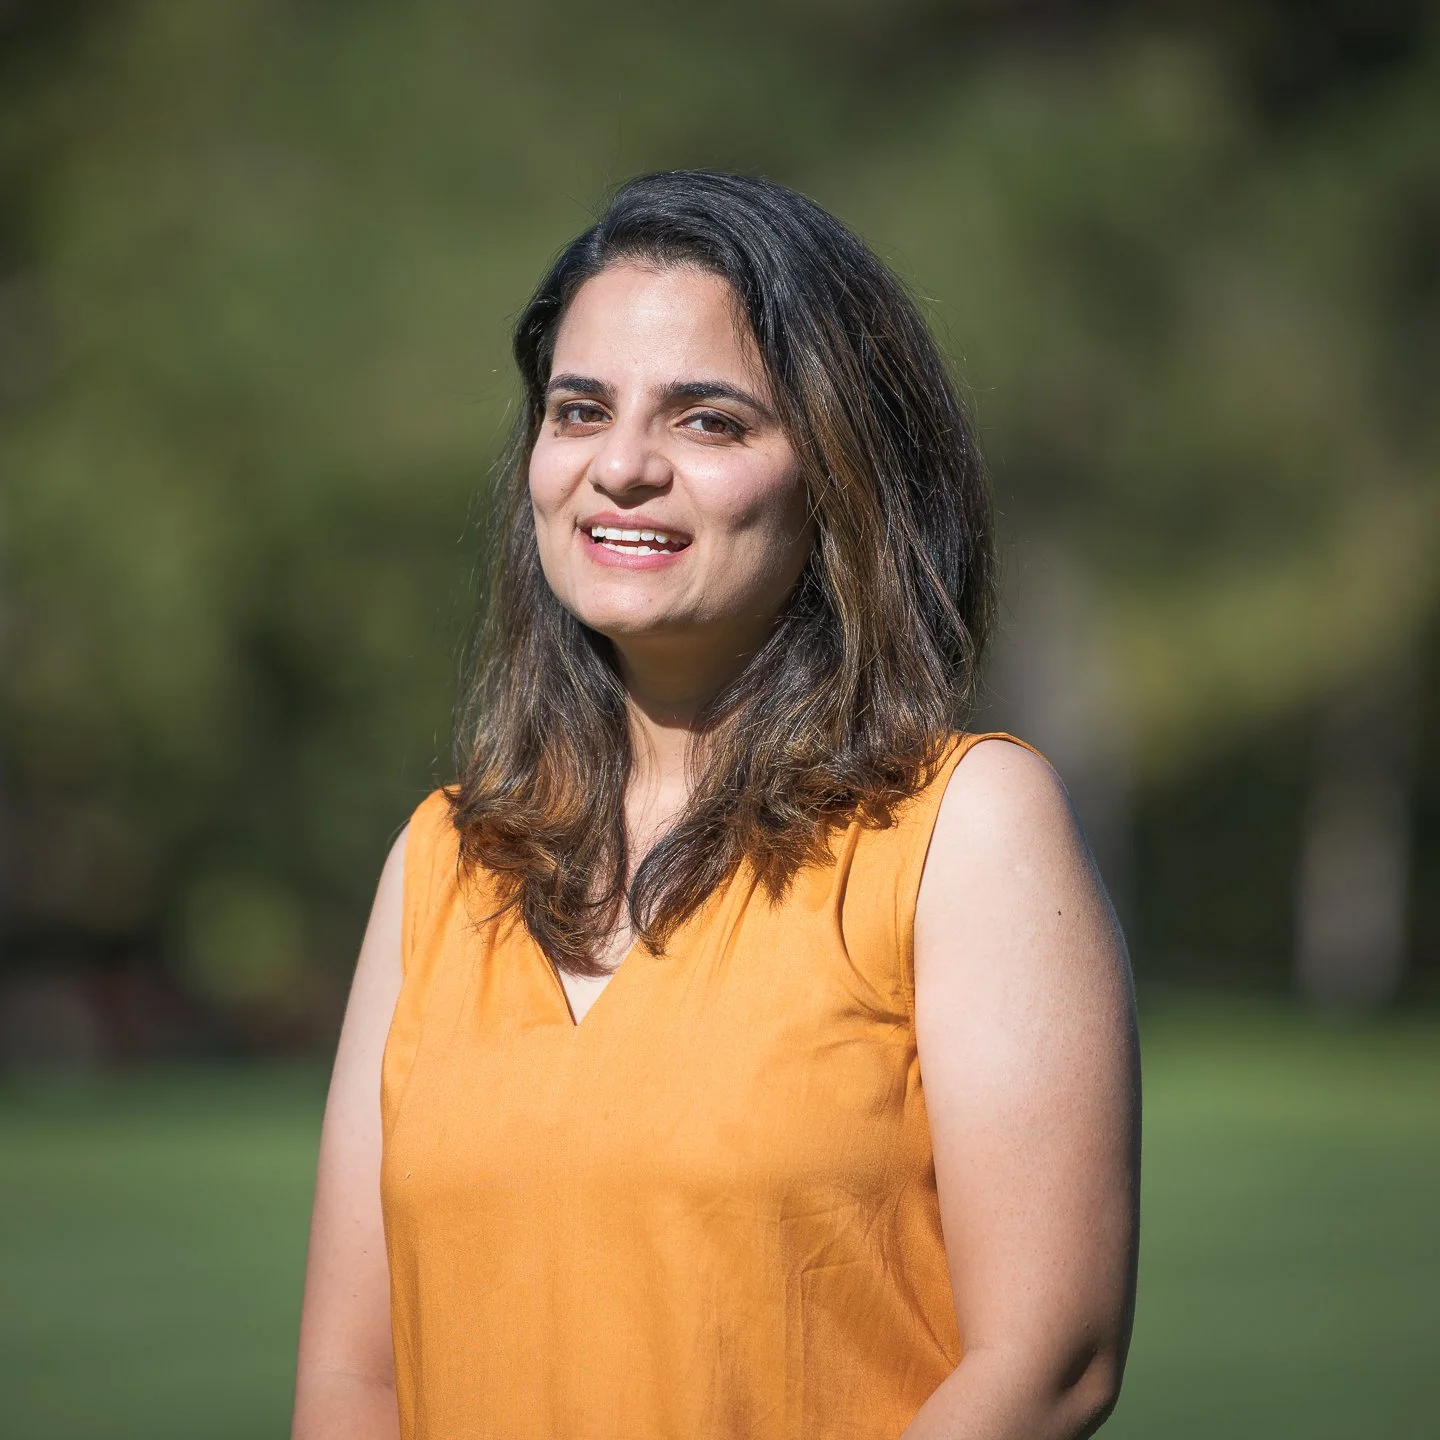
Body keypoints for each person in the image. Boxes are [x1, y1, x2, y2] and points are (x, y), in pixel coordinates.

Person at [291, 170, 1139, 1440]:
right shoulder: (444, 861)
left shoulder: (960, 828)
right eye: (581, 410)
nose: (622, 467)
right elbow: (353, 1380)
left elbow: (1049, 1360)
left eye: (708, 422)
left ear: (841, 473)